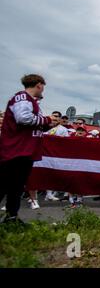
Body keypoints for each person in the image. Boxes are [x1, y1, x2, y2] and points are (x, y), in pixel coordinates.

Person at [0, 74, 58, 223]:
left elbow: (31, 127)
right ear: (39, 85)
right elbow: (23, 118)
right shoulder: (23, 98)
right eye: (43, 86)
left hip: (26, 150)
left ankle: (12, 217)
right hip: (16, 150)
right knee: (5, 185)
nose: (43, 89)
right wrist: (46, 119)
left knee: (16, 187)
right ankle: (11, 216)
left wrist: (47, 125)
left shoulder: (33, 102)